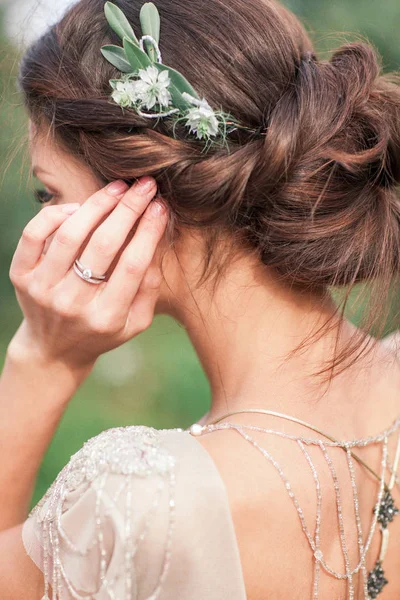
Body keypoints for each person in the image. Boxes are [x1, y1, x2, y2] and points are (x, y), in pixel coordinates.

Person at [1, 0, 400, 597]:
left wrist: (40, 362)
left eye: (47, 190)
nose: (46, 220)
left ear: (142, 190)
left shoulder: (136, 500)